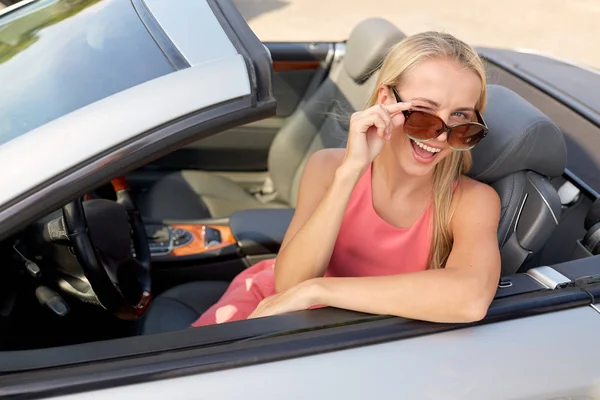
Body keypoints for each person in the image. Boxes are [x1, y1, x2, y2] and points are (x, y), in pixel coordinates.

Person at [191, 31, 501, 327]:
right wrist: (351, 171)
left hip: (343, 333)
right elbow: (288, 285)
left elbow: (471, 298)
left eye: (460, 119)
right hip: (282, 310)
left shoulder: (471, 201)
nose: (439, 135)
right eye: (423, 112)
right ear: (385, 101)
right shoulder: (327, 167)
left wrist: (319, 291)